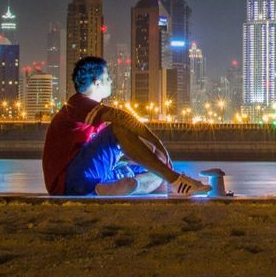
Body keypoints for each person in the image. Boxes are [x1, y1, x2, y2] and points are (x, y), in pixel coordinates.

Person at [42, 56, 211, 196]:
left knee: (155, 171)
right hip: (68, 181)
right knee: (118, 129)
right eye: (107, 77)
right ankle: (176, 181)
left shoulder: (90, 113)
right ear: (96, 82)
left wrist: (152, 156)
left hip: (85, 178)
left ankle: (116, 188)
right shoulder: (78, 104)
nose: (111, 80)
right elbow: (121, 119)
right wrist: (157, 144)